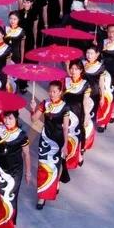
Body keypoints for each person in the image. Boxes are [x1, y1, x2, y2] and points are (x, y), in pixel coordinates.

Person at [31, 81, 76, 209]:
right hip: (45, 139)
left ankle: (55, 183)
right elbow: (34, 119)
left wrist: (65, 144)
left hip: (58, 140)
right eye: (50, 91)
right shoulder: (44, 104)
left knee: (56, 165)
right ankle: (41, 196)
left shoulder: (65, 107)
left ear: (60, 92)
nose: (52, 94)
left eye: (54, 91)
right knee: (43, 167)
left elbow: (66, 127)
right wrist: (33, 108)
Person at [0, 111, 31, 228]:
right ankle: (1, 223)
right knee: (0, 198)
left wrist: (28, 172)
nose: (7, 121)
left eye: (10, 118)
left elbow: (26, 154)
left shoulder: (21, 135)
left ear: (16, 118)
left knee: (10, 200)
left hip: (15, 174)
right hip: (1, 171)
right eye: (6, 118)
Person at [62, 61, 93, 169]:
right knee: (66, 134)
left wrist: (87, 115)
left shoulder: (85, 84)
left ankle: (79, 153)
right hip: (66, 113)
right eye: (71, 68)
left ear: (81, 70)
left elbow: (85, 101)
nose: (73, 71)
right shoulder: (65, 81)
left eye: (76, 69)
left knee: (78, 134)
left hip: (78, 113)